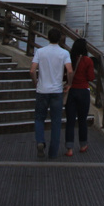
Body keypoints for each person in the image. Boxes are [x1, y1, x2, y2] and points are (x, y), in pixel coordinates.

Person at [31, 27, 72, 159]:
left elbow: (32, 70)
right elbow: (69, 71)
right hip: (57, 90)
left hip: (42, 90)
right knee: (56, 121)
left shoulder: (40, 51)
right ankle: (53, 152)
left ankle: (40, 141)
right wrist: (69, 83)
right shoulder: (64, 53)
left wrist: (36, 82)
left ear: (48, 37)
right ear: (59, 38)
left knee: (39, 118)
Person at [63, 38, 97, 156]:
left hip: (71, 91)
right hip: (83, 91)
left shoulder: (69, 59)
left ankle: (69, 149)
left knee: (70, 121)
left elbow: (65, 75)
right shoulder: (87, 60)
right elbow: (91, 77)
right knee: (82, 120)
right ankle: (83, 145)